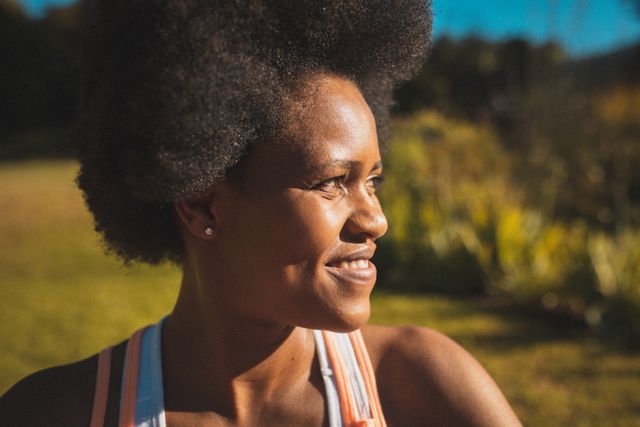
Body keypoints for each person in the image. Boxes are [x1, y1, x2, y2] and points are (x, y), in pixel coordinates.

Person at [0, 0, 522, 425]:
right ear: (202, 202)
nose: (375, 220)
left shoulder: (422, 387)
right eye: (331, 183)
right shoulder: (51, 412)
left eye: (373, 181)